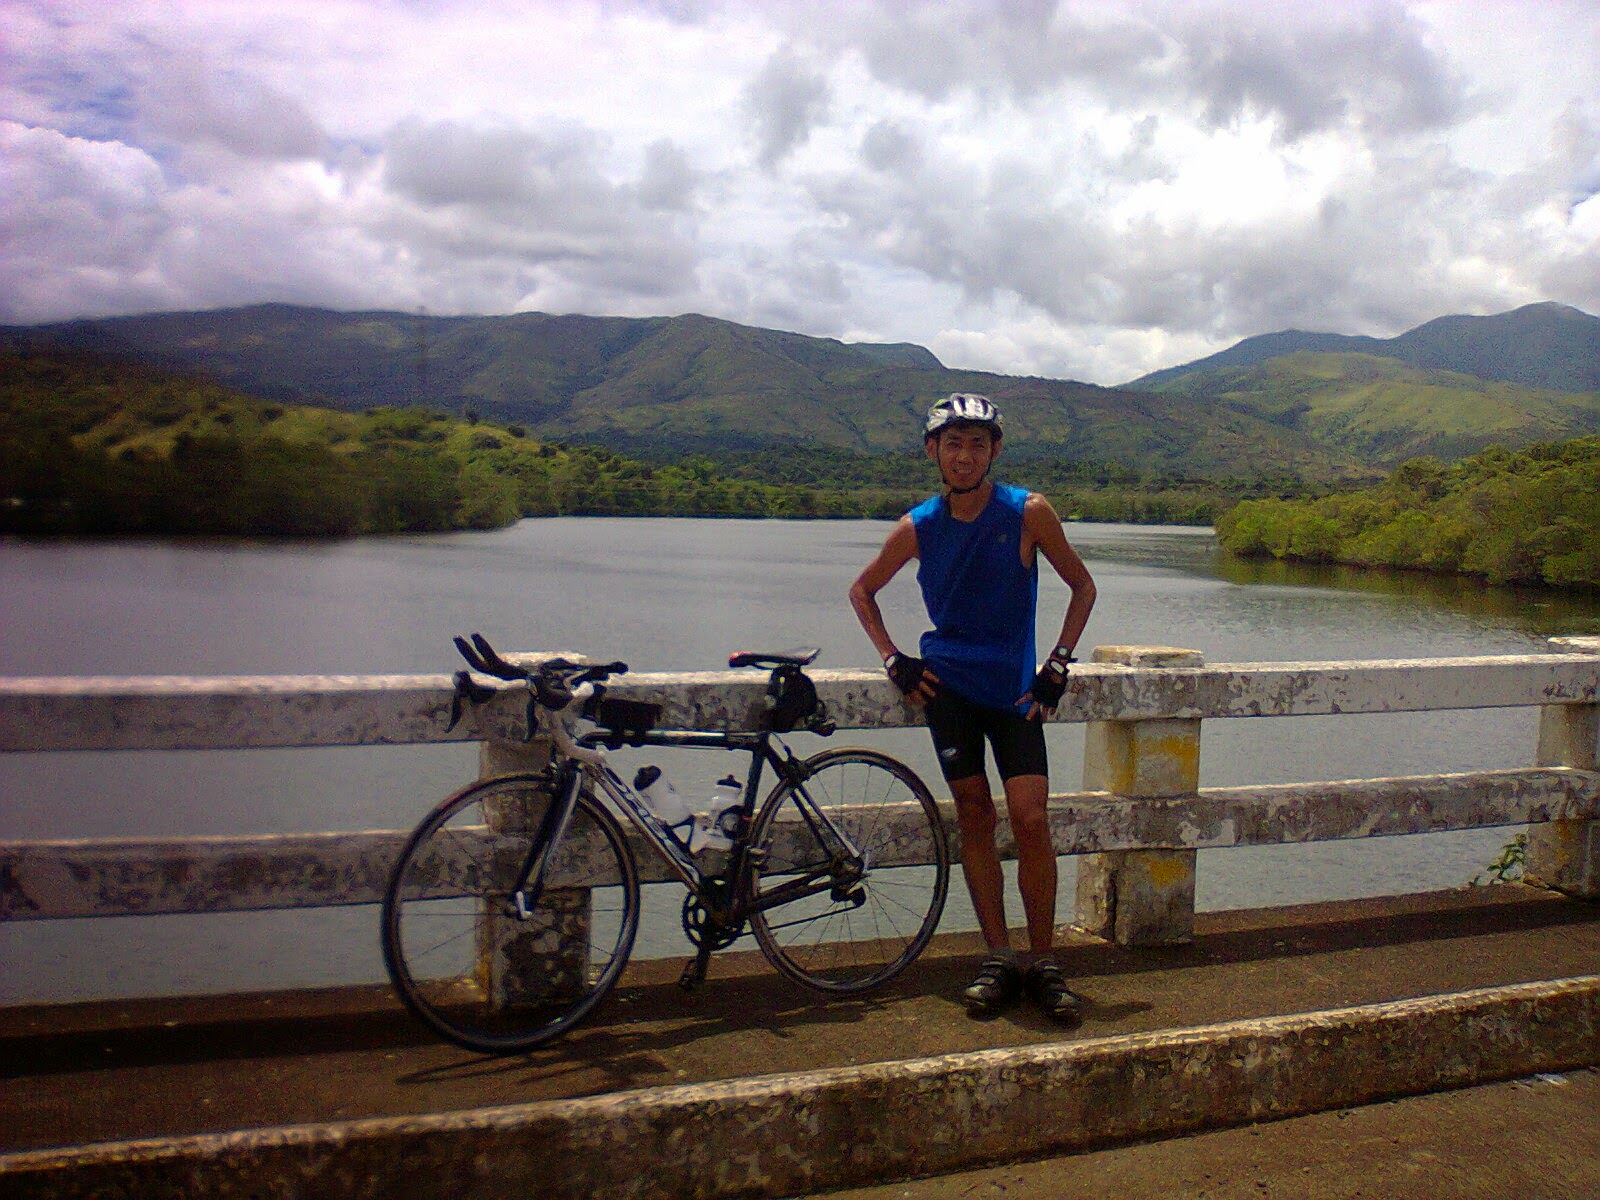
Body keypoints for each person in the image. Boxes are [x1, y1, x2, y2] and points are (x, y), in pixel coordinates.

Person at [848, 393, 1097, 1022]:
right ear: (933, 451)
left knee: (1031, 818)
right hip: (949, 690)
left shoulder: (1027, 512)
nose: (964, 456)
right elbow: (862, 590)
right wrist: (893, 658)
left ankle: (1044, 962)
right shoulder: (918, 526)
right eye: (953, 444)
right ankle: (998, 957)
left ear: (994, 452)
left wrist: (1059, 663)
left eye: (977, 444)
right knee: (975, 814)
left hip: (1014, 690)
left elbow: (1082, 586)